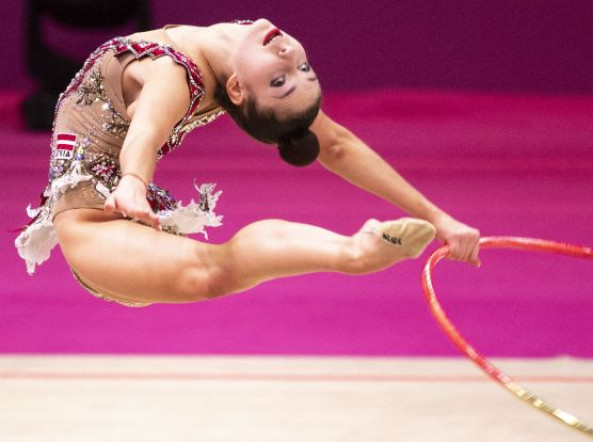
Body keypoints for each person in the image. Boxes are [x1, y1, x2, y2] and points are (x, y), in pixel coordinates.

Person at [15, 18, 480, 307]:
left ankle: (354, 253)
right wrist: (437, 217)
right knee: (214, 272)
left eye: (280, 78)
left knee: (215, 272)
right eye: (302, 70)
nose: (289, 55)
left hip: (99, 228)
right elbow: (332, 143)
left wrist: (134, 180)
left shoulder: (176, 75)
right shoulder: (239, 52)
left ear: (237, 91)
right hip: (124, 218)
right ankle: (353, 253)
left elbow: (148, 129)